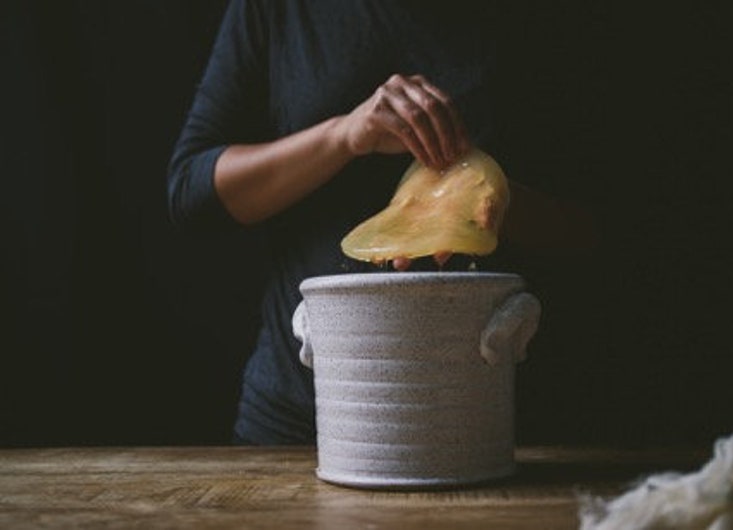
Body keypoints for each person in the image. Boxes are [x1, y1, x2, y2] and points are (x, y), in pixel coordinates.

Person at [168, 0, 594, 445]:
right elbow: (193, 193)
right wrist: (345, 135)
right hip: (295, 421)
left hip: (484, 418)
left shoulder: (536, 16)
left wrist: (488, 200)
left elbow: (600, 228)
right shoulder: (278, 10)